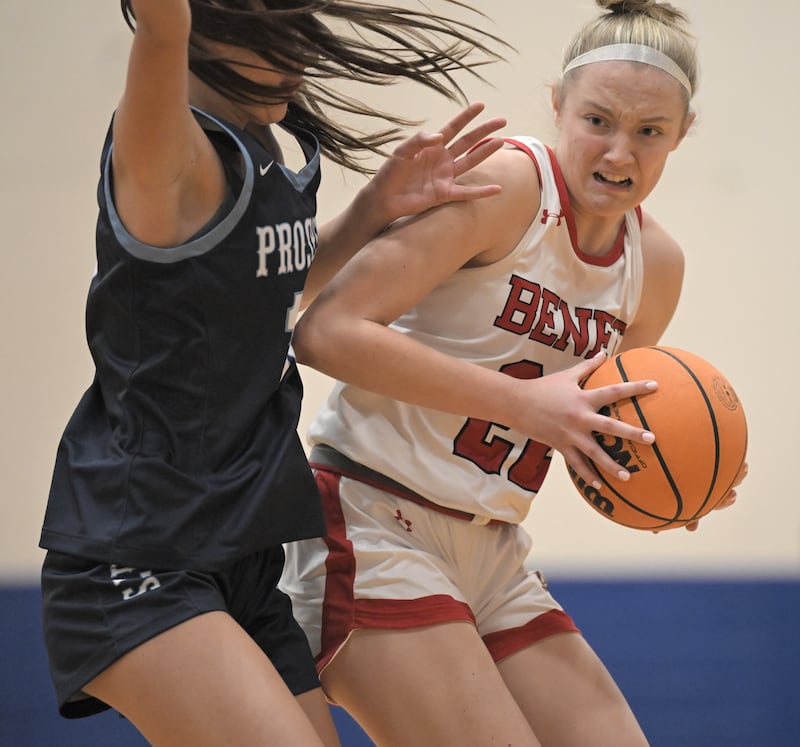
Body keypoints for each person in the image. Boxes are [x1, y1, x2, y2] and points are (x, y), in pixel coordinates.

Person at [38, 1, 509, 745]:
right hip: (140, 549)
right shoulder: (166, 153)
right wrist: (168, 23)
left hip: (243, 549)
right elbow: (162, 24)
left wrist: (373, 209)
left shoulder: (260, 147)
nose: (303, 53)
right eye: (279, 31)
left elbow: (275, 285)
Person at [281, 0, 748, 745]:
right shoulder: (509, 188)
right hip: (373, 517)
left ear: (681, 134)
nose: (620, 153)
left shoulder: (654, 268)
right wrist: (525, 404)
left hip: (492, 547)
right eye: (598, 120)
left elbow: (586, 426)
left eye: (649, 132)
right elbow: (325, 331)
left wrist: (667, 475)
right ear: (558, 104)